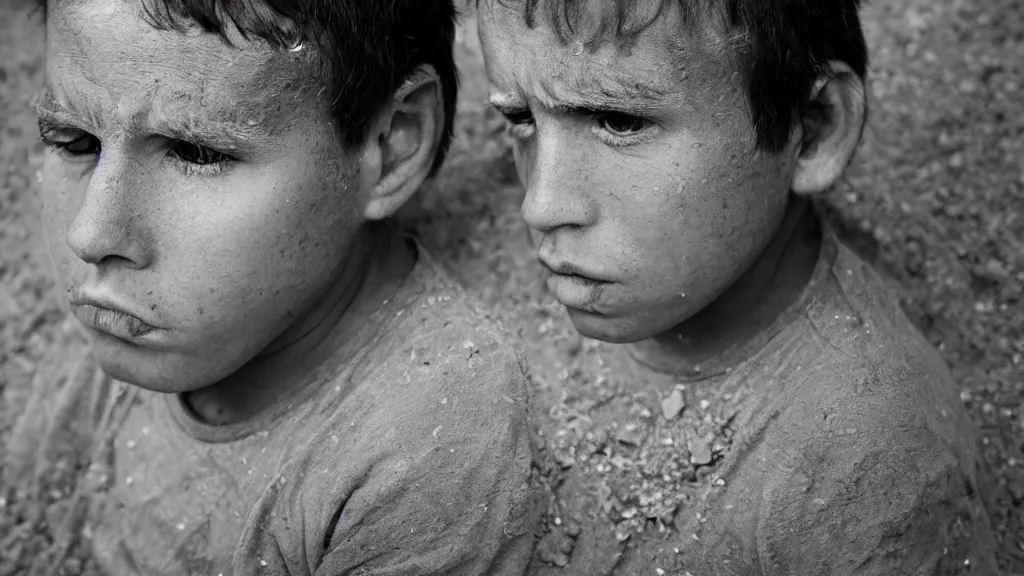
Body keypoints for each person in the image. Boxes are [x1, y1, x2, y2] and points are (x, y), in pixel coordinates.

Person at [4, 1, 540, 574]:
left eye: (198, 152)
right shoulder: (130, 310)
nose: (90, 233)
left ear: (392, 143)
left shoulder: (427, 448)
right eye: (73, 140)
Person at [476, 0, 1000, 574]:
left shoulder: (867, 467)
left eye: (620, 122)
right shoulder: (490, 265)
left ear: (814, 129)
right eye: (521, 119)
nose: (540, 205)